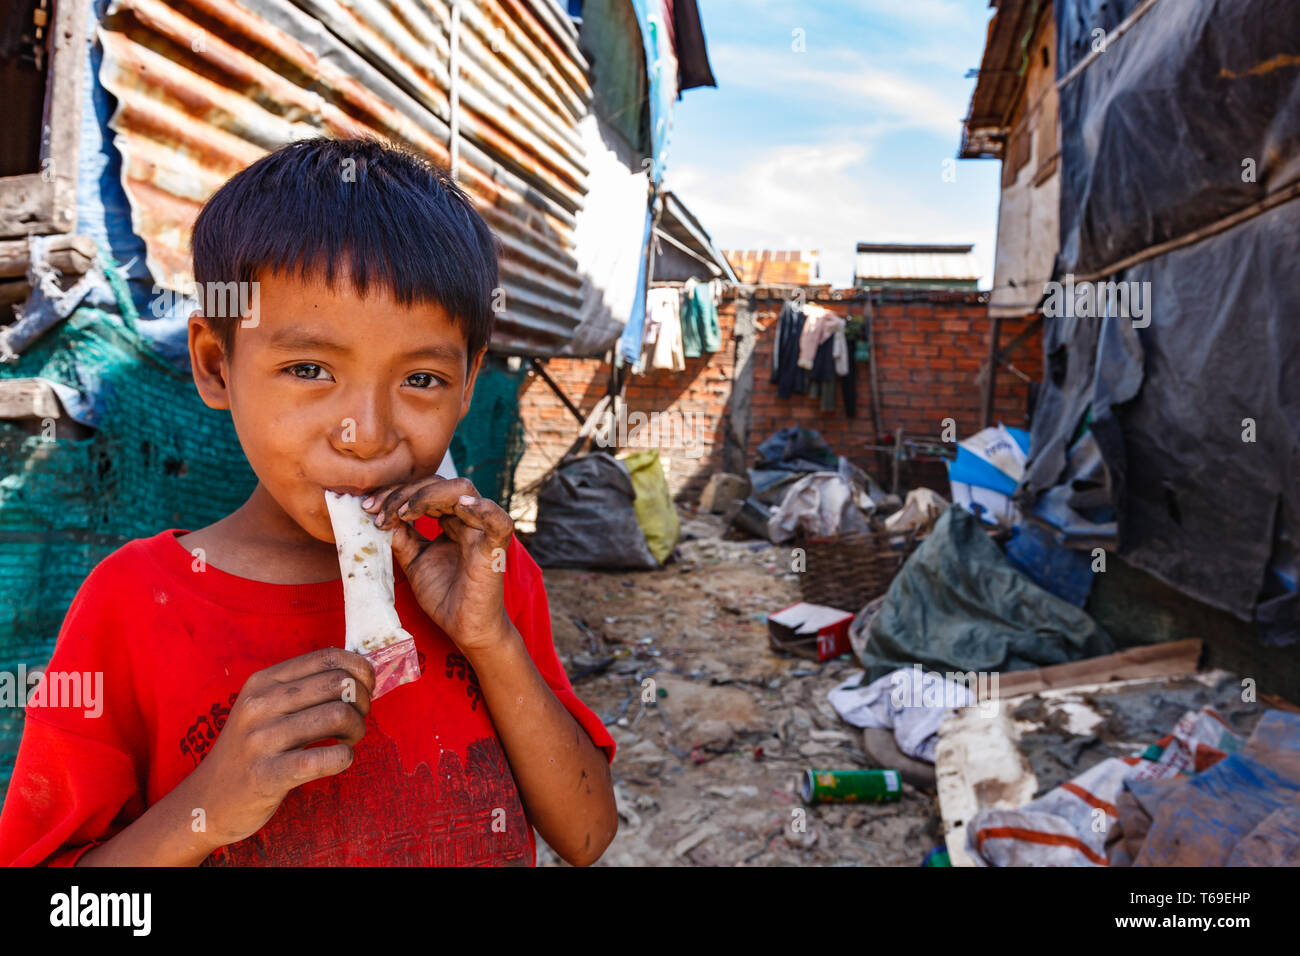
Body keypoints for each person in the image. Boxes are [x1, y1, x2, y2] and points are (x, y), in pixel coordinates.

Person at [0, 137, 618, 867]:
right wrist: (207, 808)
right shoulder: (131, 606)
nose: (367, 434)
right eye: (309, 368)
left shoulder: (484, 574)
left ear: (469, 380)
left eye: (421, 380)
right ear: (215, 365)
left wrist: (492, 644)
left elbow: (586, 835)